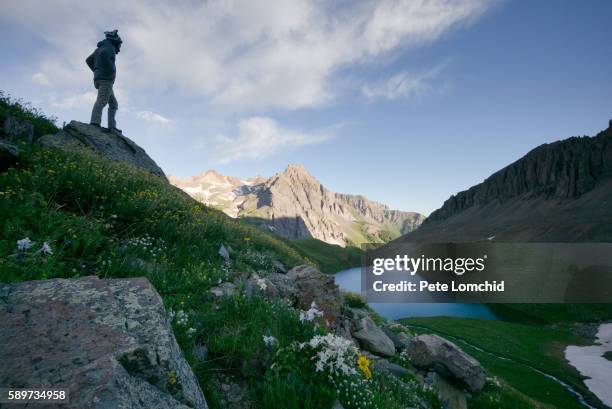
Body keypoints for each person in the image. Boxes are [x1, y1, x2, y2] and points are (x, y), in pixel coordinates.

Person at [86, 30, 122, 133]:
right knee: (102, 100)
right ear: (115, 41)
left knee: (113, 103)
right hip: (106, 80)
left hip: (100, 79)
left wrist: (96, 70)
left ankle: (112, 126)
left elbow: (88, 60)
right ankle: (95, 123)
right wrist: (111, 71)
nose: (119, 47)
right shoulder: (109, 48)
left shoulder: (100, 48)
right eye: (119, 44)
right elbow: (105, 55)